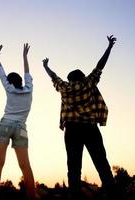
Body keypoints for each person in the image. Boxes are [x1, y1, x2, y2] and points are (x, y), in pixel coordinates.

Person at [42, 35, 117, 199]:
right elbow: (99, 66)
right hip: (90, 128)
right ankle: (112, 193)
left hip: (72, 130)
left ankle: (74, 195)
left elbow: (53, 76)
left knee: (74, 166)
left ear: (69, 79)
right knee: (101, 162)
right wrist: (109, 47)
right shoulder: (88, 83)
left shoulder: (64, 88)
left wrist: (45, 66)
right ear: (82, 77)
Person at [0, 44, 36, 200]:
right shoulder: (29, 87)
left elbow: (1, 73)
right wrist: (24, 56)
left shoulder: (9, 88)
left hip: (5, 125)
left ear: (10, 82)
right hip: (22, 128)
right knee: (25, 165)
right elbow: (27, 73)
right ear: (21, 81)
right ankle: (32, 196)